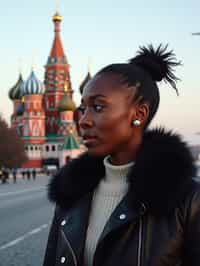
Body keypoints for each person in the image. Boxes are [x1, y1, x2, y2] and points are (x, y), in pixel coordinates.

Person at [43, 44, 200, 266]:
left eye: (98, 107)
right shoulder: (72, 193)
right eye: (83, 108)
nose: (83, 120)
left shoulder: (189, 201)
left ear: (139, 114)